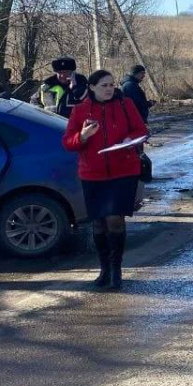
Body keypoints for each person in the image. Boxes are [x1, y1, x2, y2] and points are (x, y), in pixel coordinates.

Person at [62, 70, 148, 290]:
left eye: (111, 84)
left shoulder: (125, 105)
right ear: (92, 87)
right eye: (103, 85)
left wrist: (131, 139)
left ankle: (117, 269)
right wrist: (83, 136)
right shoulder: (81, 110)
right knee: (99, 223)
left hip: (123, 172)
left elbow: (142, 129)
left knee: (114, 219)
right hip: (93, 174)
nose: (109, 89)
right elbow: (68, 143)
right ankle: (104, 270)